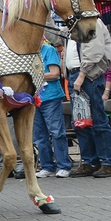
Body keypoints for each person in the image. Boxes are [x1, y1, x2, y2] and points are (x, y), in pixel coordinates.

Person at [67, 19, 111, 177]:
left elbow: (94, 51)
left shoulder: (92, 21)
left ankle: (108, 162)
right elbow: (56, 39)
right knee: (81, 122)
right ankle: (90, 161)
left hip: (89, 76)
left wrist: (82, 75)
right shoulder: (73, 25)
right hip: (74, 75)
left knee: (98, 120)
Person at [33, 38, 71, 178]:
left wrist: (33, 76)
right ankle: (47, 166)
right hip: (34, 98)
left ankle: (64, 165)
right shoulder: (28, 52)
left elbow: (55, 74)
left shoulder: (48, 50)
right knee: (39, 135)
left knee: (56, 132)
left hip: (50, 97)